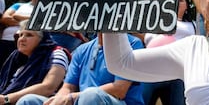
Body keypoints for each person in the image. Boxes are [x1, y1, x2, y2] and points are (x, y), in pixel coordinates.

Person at [17, 33, 145, 105]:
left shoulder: (133, 43)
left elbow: (120, 89)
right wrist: (59, 100)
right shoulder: (82, 49)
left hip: (119, 102)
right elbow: (68, 87)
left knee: (91, 95)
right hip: (82, 100)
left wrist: (73, 97)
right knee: (28, 101)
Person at [141, 0, 195, 105]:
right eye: (173, 0)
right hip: (150, 69)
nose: (176, 3)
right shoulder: (154, 23)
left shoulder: (193, 25)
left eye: (180, 0)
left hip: (176, 71)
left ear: (186, 7)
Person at [0, 20, 69, 104]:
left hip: (42, 101)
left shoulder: (56, 54)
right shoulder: (16, 58)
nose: (22, 39)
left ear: (42, 39)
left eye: (29, 35)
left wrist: (6, 99)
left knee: (27, 100)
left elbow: (49, 87)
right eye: (20, 35)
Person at [0, 0, 43, 67]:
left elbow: (41, 23)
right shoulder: (18, 5)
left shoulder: (45, 9)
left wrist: (17, 17)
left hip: (26, 45)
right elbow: (5, 18)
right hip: (6, 42)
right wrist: (30, 21)